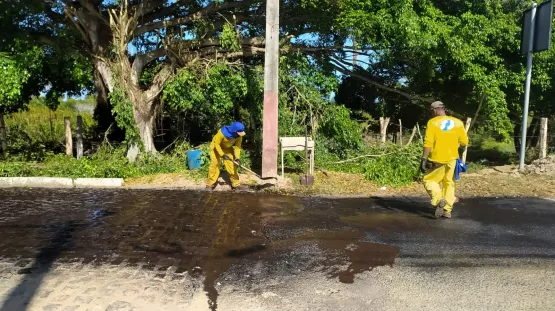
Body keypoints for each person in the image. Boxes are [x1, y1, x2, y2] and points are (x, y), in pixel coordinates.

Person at [420, 101, 469, 219]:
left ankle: (439, 199)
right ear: (444, 109)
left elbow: (428, 143)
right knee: (449, 184)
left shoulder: (432, 123)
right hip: (452, 160)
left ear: (434, 110)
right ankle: (447, 211)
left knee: (429, 180)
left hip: (436, 160)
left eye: (431, 111)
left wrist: (423, 159)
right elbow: (464, 142)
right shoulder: (458, 122)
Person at [205, 122, 246, 191]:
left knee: (232, 165)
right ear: (234, 131)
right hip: (216, 148)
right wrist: (222, 154)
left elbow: (238, 147)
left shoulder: (239, 136)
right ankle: (210, 184)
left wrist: (237, 158)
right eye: (238, 133)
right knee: (214, 165)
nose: (239, 135)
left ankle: (235, 184)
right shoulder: (221, 133)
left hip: (227, 148)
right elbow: (216, 144)